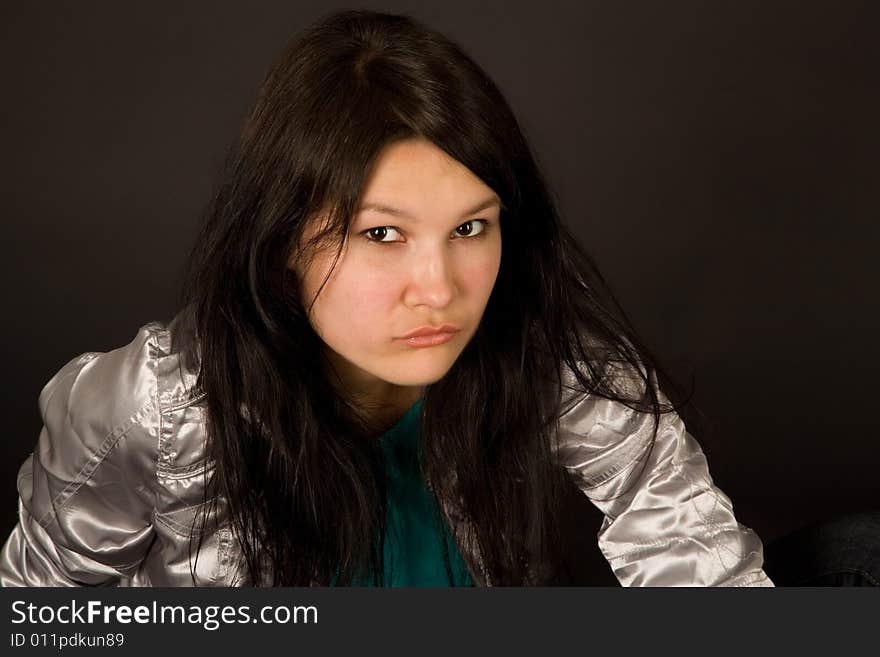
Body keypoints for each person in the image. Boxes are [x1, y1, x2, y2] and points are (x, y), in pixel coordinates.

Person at [0, 10, 773, 587]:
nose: (439, 289)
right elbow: (40, 616)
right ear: (281, 242)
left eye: (471, 226)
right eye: (381, 235)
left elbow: (695, 559)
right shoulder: (152, 406)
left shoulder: (545, 354)